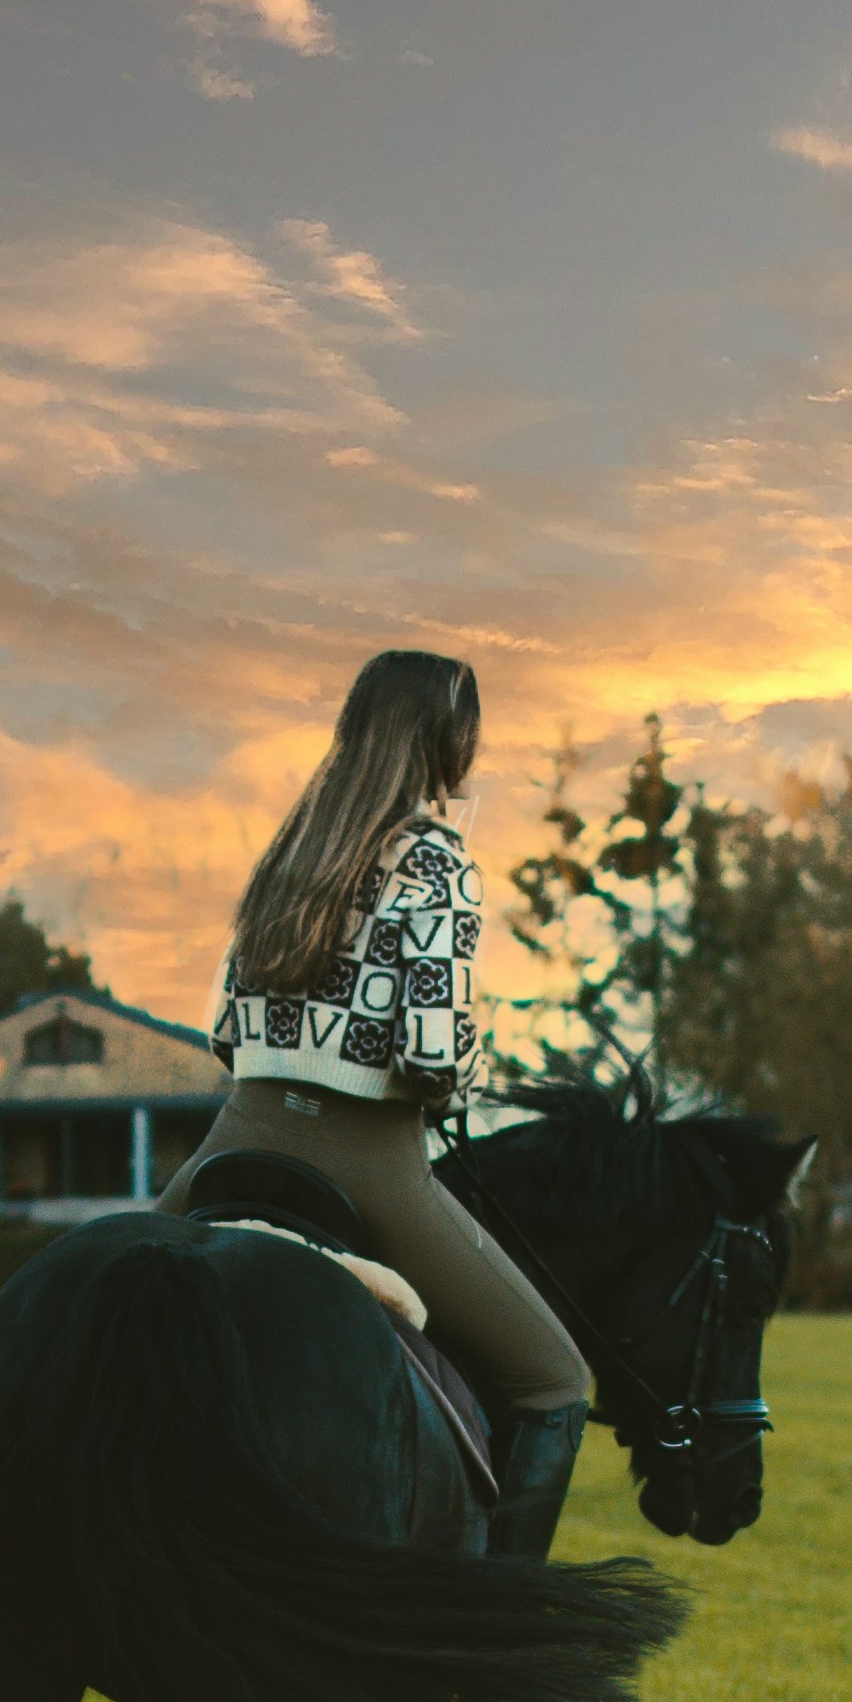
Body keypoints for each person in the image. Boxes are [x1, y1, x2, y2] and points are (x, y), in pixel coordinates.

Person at [158, 648, 593, 1559]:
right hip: (370, 1160)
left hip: (239, 1131)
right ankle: (493, 1640)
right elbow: (431, 1057)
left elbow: (230, 1034)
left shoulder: (291, 846)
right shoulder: (435, 857)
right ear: (448, 739)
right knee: (555, 1380)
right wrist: (471, 1064)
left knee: (102, 1288)